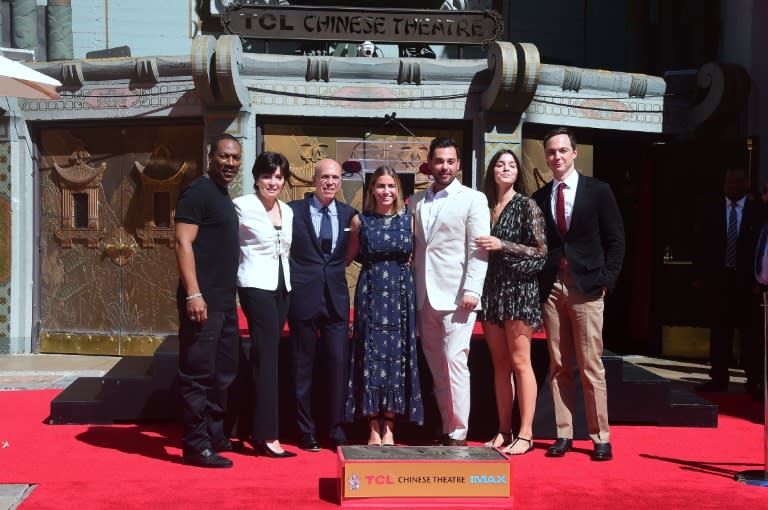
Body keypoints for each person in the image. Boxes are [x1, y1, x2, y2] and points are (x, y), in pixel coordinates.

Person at [532, 127, 625, 461]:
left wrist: (606, 281)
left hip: (587, 287)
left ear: (574, 153)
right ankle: (564, 433)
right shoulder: (541, 197)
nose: (557, 156)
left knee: (590, 364)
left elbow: (616, 240)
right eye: (551, 152)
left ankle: (601, 436)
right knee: (558, 364)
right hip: (553, 287)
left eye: (562, 150)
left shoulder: (598, 191)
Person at [410, 137, 490, 446]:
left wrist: (472, 289)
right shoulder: (415, 202)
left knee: (455, 362)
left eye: (450, 161)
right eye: (439, 161)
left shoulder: (473, 199)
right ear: (429, 164)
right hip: (424, 295)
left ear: (458, 165)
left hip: (459, 296)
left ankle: (459, 432)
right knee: (436, 366)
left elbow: (478, 250)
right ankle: (445, 426)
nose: (444, 166)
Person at [174, 134, 242, 468]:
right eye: (224, 157)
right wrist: (194, 293)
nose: (230, 163)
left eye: (235, 158)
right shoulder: (196, 192)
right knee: (198, 375)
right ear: (210, 155)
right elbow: (182, 243)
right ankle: (195, 444)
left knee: (223, 372)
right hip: (203, 301)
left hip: (225, 302)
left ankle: (215, 434)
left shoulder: (222, 194)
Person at [344, 166, 424, 446]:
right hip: (371, 293)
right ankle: (372, 425)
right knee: (370, 354)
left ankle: (389, 424)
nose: (386, 191)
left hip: (401, 295)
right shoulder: (360, 221)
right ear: (372, 190)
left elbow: (417, 257)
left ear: (399, 191)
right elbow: (346, 257)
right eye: (380, 186)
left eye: (391, 186)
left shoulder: (410, 221)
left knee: (396, 357)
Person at [476, 150, 547, 455]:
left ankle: (526, 433)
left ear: (518, 172)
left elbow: (541, 251)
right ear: (492, 171)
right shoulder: (484, 205)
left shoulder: (527, 205)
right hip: (491, 291)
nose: (505, 169)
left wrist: (502, 244)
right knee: (500, 365)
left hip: (519, 291)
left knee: (521, 362)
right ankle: (503, 430)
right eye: (500, 165)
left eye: (511, 165)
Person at [288, 158, 358, 451]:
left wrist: (332, 271)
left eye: (336, 178)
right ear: (314, 181)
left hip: (336, 301)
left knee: (338, 366)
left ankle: (336, 427)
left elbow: (350, 251)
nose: (330, 182)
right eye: (325, 177)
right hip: (303, 299)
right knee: (302, 368)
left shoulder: (349, 214)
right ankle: (306, 430)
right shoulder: (292, 212)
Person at [233, 152, 297, 458]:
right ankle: (267, 435)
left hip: (282, 287)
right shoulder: (241, 207)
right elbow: (227, 247)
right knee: (268, 356)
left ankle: (254, 427)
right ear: (257, 178)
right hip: (254, 286)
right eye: (268, 176)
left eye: (279, 177)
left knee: (265, 357)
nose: (273, 182)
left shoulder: (288, 210)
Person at [692, 168, 763, 399]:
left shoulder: (758, 212)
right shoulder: (711, 210)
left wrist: (760, 282)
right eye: (729, 182)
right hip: (718, 282)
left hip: (747, 284)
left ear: (746, 184)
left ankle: (754, 381)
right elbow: (701, 244)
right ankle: (719, 378)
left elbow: (762, 249)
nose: (732, 186)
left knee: (750, 335)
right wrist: (699, 276)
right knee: (720, 333)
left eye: (737, 182)